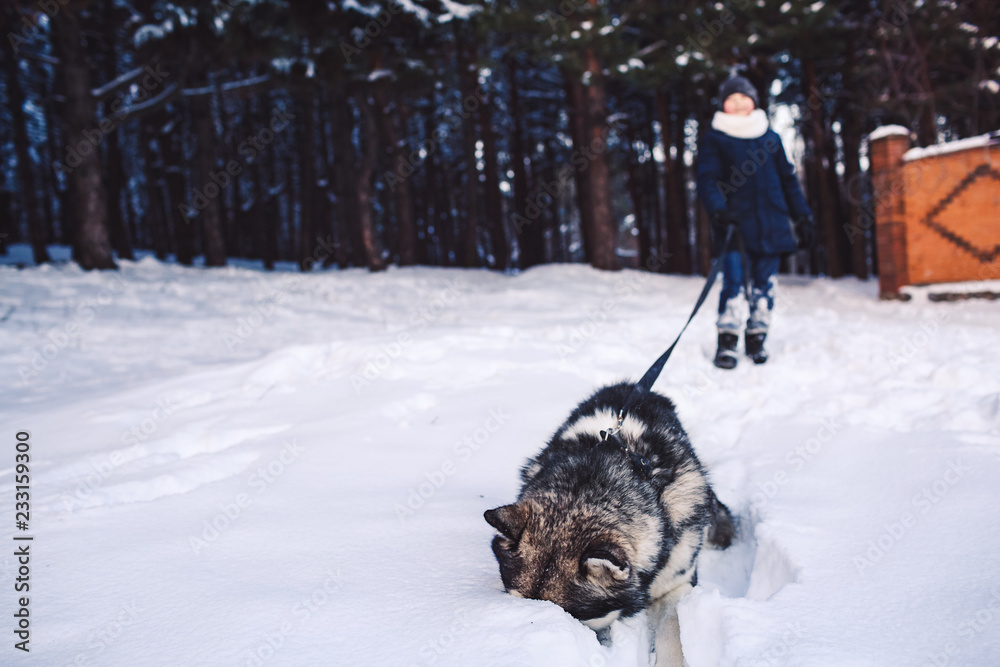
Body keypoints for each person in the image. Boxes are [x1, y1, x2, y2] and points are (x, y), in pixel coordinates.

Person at [696, 75, 814, 369]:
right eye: (731, 99)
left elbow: (788, 181)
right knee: (733, 283)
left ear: (754, 101)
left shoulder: (770, 138)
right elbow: (707, 180)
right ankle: (727, 341)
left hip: (772, 222)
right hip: (733, 225)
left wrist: (802, 217)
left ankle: (757, 337)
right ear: (723, 104)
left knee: (765, 284)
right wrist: (719, 210)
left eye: (743, 97)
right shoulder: (716, 138)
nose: (738, 104)